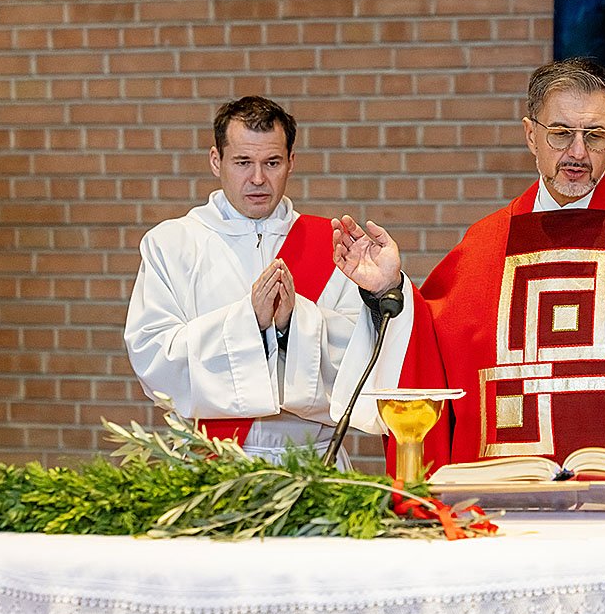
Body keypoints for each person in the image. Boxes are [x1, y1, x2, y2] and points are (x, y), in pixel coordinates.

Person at [332, 58, 605, 513]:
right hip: (504, 515)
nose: (577, 153)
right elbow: (428, 353)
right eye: (561, 133)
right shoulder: (484, 247)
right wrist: (386, 291)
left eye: (594, 135)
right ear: (531, 135)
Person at [124, 96, 402, 462]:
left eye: (272, 162)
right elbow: (154, 358)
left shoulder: (334, 245)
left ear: (291, 162)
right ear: (215, 161)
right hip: (213, 462)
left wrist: (292, 324)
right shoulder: (172, 244)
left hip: (313, 460)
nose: (258, 178)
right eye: (243, 162)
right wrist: (249, 322)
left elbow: (367, 359)